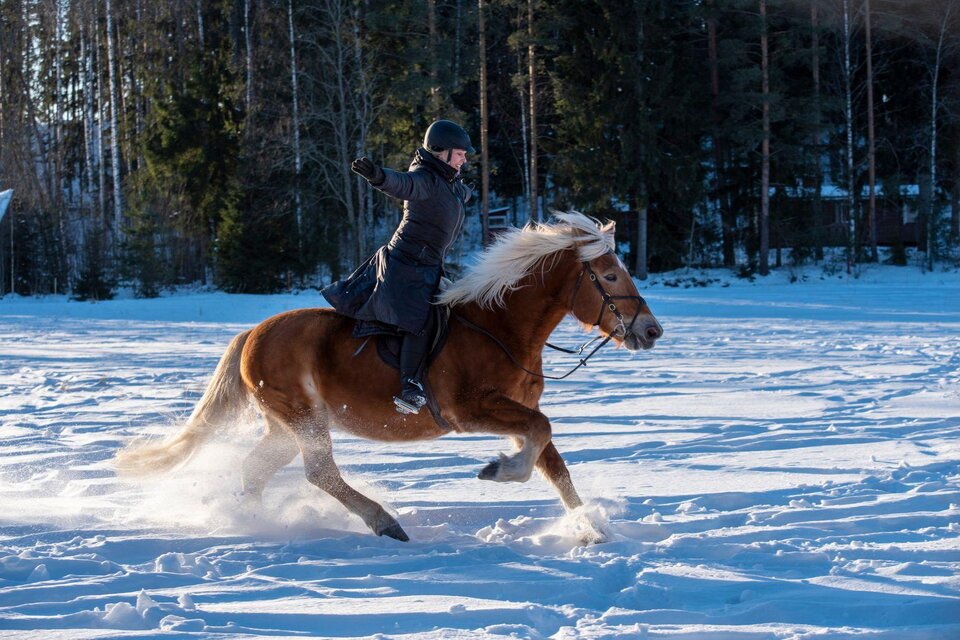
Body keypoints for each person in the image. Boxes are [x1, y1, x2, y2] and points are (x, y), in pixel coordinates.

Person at [322, 120, 474, 415]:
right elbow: (403, 183)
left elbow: (457, 194)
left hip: (428, 266)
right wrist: (378, 176)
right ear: (441, 152)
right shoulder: (425, 178)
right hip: (407, 267)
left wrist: (466, 193)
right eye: (460, 154)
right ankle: (409, 387)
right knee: (420, 319)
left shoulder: (449, 182)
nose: (464, 160)